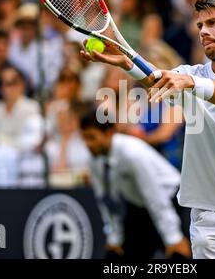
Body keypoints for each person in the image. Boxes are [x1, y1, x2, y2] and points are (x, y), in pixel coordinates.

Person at [81, 0, 215, 259]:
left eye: (213, 23)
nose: (204, 31)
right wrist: (127, 64)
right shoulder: (190, 75)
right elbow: (158, 78)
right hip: (211, 221)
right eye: (200, 25)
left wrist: (190, 83)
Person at [80, 107, 191, 260]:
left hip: (173, 202)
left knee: (180, 258)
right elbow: (107, 201)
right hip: (139, 206)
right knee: (117, 256)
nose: (88, 144)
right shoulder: (94, 160)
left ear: (109, 133)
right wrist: (114, 238)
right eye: (84, 138)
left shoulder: (133, 154)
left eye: (91, 137)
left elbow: (155, 197)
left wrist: (174, 238)